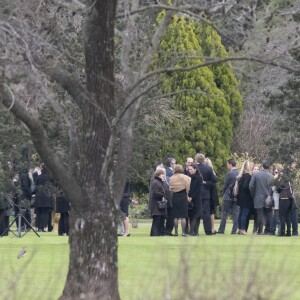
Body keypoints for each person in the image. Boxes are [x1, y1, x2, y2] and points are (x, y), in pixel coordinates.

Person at [249, 160, 274, 235]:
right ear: (269, 167)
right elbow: (273, 188)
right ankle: (268, 231)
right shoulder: (271, 176)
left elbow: (251, 186)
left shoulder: (256, 175)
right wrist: (270, 195)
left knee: (259, 214)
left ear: (262, 166)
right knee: (269, 214)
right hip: (268, 198)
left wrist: (254, 195)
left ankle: (260, 231)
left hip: (258, 197)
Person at [195, 153, 217, 235]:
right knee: (206, 213)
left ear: (196, 159)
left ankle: (195, 231)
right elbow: (214, 180)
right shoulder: (208, 169)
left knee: (196, 212)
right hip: (205, 193)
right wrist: (206, 183)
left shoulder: (194, 168)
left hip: (196, 193)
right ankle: (208, 230)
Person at [218, 158, 239, 234]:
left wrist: (223, 193)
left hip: (228, 196)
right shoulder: (239, 172)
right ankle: (234, 230)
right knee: (235, 213)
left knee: (224, 213)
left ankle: (221, 230)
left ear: (230, 164)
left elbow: (225, 185)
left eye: (227, 164)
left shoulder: (229, 173)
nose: (227, 166)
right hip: (236, 196)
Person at [169, 164, 191, 236]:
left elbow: (170, 188)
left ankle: (175, 232)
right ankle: (183, 232)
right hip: (183, 196)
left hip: (175, 196)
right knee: (183, 215)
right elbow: (188, 187)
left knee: (175, 216)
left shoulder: (171, 178)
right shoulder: (186, 177)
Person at [236, 160, 253, 235]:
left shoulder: (241, 176)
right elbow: (246, 186)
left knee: (241, 213)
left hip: (240, 197)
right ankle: (243, 229)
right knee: (244, 213)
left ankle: (240, 228)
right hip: (246, 197)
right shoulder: (248, 176)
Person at [35, 164, 54, 232]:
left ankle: (39, 227)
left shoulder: (38, 177)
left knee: (39, 212)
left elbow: (36, 185)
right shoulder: (49, 177)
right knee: (45, 213)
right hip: (47, 197)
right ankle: (43, 226)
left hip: (39, 196)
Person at [150, 168, 167, 236]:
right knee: (157, 219)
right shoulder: (155, 182)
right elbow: (156, 193)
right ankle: (154, 233)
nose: (164, 175)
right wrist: (162, 195)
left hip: (159, 204)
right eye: (162, 174)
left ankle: (159, 233)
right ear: (159, 175)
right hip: (157, 204)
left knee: (160, 219)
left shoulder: (159, 181)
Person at [204, 157, 219, 234]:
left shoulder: (203, 171)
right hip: (212, 193)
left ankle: (211, 228)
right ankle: (212, 228)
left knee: (209, 212)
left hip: (208, 193)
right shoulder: (212, 172)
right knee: (211, 212)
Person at [187, 163, 203, 236]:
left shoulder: (199, 177)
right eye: (189, 169)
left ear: (195, 169)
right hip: (189, 198)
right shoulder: (188, 177)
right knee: (191, 215)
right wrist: (188, 197)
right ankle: (192, 231)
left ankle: (195, 231)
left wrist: (192, 197)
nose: (190, 171)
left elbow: (198, 190)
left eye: (191, 169)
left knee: (197, 215)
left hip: (196, 199)